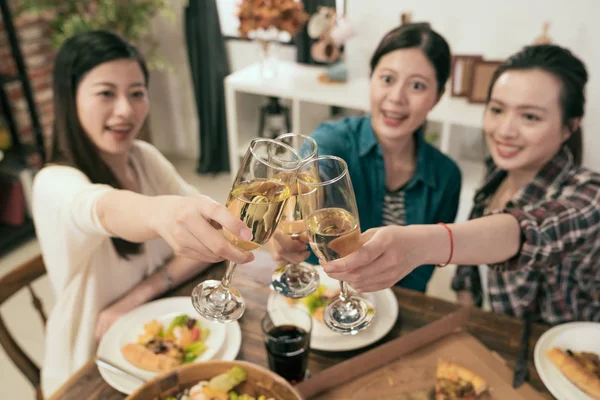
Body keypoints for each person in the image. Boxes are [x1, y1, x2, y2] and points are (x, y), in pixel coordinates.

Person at [32, 30, 255, 396]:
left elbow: (206, 239)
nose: (125, 110)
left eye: (136, 93)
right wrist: (160, 213)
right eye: (106, 93)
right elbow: (104, 208)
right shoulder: (53, 183)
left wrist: (139, 294)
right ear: (69, 100)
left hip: (165, 338)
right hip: (93, 369)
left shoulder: (144, 157)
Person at [319, 44, 600, 325]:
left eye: (530, 117)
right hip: (486, 332)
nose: (505, 130)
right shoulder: (496, 178)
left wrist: (419, 246)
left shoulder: (589, 194)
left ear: (570, 126)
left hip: (561, 356)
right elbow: (469, 276)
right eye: (498, 110)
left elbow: (530, 232)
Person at [269, 24, 462, 293]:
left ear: (437, 97)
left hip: (396, 302)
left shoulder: (446, 175)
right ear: (371, 79)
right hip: (325, 292)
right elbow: (307, 181)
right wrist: (286, 223)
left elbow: (422, 271)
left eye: (417, 86)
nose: (396, 98)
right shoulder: (332, 140)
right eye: (387, 79)